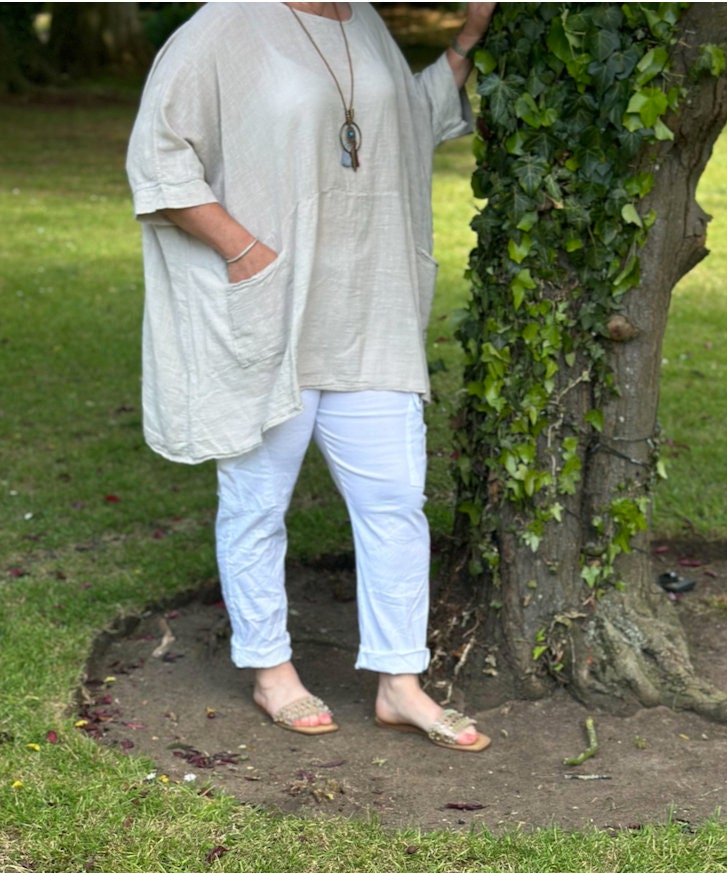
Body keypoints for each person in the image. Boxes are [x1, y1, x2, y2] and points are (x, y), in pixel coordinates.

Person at [126, 0, 495, 751]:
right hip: (277, 316)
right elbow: (158, 154)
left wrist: (467, 40)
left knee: (395, 502)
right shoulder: (224, 26)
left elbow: (406, 126)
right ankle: (270, 671)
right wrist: (245, 251)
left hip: (370, 310)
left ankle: (400, 682)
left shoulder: (360, 20)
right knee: (258, 503)